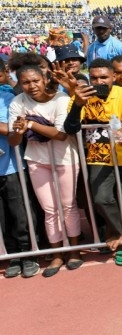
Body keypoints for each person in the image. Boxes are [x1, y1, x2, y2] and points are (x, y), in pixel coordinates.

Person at [63, 58, 122, 265]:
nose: (98, 81)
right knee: (101, 198)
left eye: (104, 77)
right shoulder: (81, 95)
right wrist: (78, 103)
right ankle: (119, 234)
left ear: (113, 77)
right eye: (94, 77)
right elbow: (71, 128)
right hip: (97, 156)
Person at [8, 65, 82, 276]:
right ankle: (57, 253)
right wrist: (18, 131)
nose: (31, 86)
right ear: (19, 84)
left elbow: (60, 134)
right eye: (25, 82)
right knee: (50, 209)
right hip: (36, 160)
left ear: (43, 79)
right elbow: (14, 140)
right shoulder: (17, 102)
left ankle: (74, 250)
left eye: (35, 81)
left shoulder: (61, 99)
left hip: (64, 158)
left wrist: (30, 124)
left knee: (68, 205)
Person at [0, 60, 39, 278]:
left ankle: (28, 253)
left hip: (11, 167)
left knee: (20, 214)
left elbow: (14, 129)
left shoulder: (6, 97)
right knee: (3, 217)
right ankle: (13, 254)